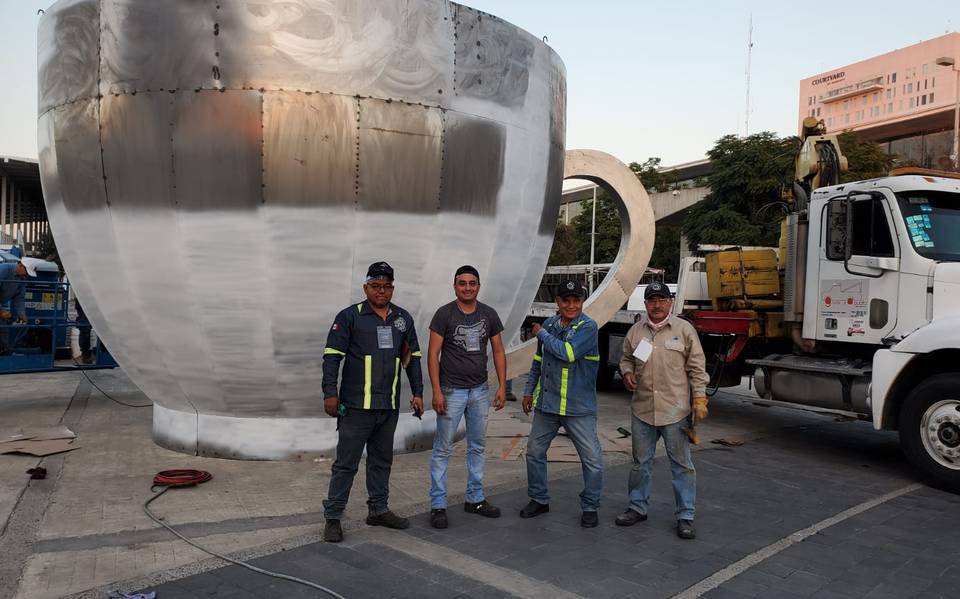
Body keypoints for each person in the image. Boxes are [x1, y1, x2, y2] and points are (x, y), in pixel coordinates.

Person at [320, 262, 424, 543]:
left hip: (387, 407)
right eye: (375, 286)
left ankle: (378, 509)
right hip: (355, 407)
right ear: (366, 287)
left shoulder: (402, 319)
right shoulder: (350, 317)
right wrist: (330, 393)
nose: (381, 291)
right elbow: (332, 356)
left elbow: (412, 359)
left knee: (381, 461)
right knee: (346, 464)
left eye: (387, 286)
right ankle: (333, 517)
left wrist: (417, 393)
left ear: (392, 288)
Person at [616, 281, 709, 540]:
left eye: (661, 300)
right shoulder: (635, 332)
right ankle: (637, 507)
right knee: (640, 463)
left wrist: (699, 399)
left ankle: (685, 516)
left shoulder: (684, 330)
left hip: (675, 412)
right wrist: (626, 372)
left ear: (670, 302)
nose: (656, 305)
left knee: (681, 465)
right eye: (651, 300)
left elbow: (697, 368)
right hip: (642, 410)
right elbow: (625, 359)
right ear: (645, 304)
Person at [427, 265, 507, 529]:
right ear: (455, 286)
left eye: (472, 283)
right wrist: (437, 390)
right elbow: (432, 354)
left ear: (478, 286)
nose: (467, 287)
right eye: (462, 283)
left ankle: (475, 498)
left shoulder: (489, 314)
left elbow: (497, 351)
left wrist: (502, 386)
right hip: (451, 391)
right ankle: (438, 504)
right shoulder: (444, 314)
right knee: (442, 449)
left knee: (477, 446)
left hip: (480, 391)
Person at [521, 279, 604, 528]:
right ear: (557, 302)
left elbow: (568, 353)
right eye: (565, 300)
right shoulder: (550, 324)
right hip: (548, 405)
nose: (571, 305)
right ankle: (539, 498)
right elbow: (538, 361)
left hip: (578, 408)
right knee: (534, 452)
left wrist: (541, 334)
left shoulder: (588, 327)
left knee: (592, 460)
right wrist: (528, 391)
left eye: (576, 300)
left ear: (582, 302)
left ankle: (590, 506)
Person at [0, 258, 38, 355]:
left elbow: (19, 298)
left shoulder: (22, 279)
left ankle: (4, 353)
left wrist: (22, 315)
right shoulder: (3, 270)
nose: (27, 276)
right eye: (26, 272)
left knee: (3, 326)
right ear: (20, 265)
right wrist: (1, 311)